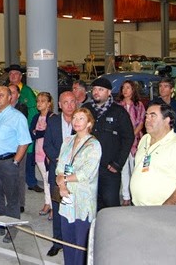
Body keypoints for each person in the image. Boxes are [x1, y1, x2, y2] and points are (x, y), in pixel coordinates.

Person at [0, 86, 32, 243]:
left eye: (1, 95)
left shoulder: (17, 117)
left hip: (8, 163)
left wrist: (15, 161)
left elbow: (24, 142)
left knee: (12, 198)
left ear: (10, 98)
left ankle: (11, 229)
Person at [56, 107, 102, 265]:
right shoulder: (67, 140)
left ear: (89, 123)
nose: (76, 121)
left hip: (83, 199)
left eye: (81, 118)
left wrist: (64, 180)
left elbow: (85, 174)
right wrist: (62, 186)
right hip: (66, 197)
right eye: (74, 117)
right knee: (67, 239)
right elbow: (59, 168)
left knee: (81, 242)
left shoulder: (94, 145)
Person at [82, 77, 134, 210]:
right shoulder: (86, 110)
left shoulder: (118, 112)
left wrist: (118, 163)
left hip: (110, 169)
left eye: (100, 89)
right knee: (91, 204)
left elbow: (128, 137)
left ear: (109, 92)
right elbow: (76, 135)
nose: (96, 92)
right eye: (94, 89)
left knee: (110, 203)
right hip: (89, 168)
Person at [130, 102, 176, 205]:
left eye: (153, 116)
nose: (147, 120)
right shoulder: (144, 139)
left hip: (163, 214)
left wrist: (165, 209)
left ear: (167, 120)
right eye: (146, 115)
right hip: (140, 209)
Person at [43, 91, 76, 257]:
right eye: (66, 102)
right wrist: (58, 159)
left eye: (72, 102)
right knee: (57, 208)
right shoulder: (53, 121)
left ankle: (74, 243)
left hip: (76, 174)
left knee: (75, 208)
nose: (69, 105)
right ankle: (57, 241)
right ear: (60, 105)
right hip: (57, 172)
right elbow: (47, 145)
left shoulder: (82, 121)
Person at [6, 64, 40, 193]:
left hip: (24, 129)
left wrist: (30, 128)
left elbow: (33, 111)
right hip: (9, 132)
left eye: (16, 74)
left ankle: (31, 181)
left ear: (21, 76)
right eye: (11, 74)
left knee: (28, 155)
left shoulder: (27, 91)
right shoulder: (5, 89)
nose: (13, 76)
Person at [117, 80, 145, 206]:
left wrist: (131, 135)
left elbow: (141, 122)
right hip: (121, 140)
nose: (125, 90)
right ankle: (126, 196)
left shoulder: (139, 105)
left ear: (133, 90)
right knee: (123, 169)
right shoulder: (118, 105)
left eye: (128, 88)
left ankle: (135, 195)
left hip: (135, 140)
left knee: (135, 168)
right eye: (123, 88)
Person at [29, 92, 57, 218]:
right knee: (45, 180)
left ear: (49, 103)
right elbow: (31, 132)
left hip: (48, 154)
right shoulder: (36, 117)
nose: (39, 103)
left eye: (43, 101)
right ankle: (48, 203)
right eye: (38, 101)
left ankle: (53, 206)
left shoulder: (53, 117)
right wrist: (38, 133)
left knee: (51, 180)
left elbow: (48, 134)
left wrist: (38, 132)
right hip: (38, 152)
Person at [9, 84, 32, 213]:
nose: (11, 95)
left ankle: (20, 202)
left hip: (19, 146)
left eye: (13, 92)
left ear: (18, 95)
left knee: (19, 175)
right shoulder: (1, 108)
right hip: (6, 147)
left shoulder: (21, 107)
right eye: (9, 92)